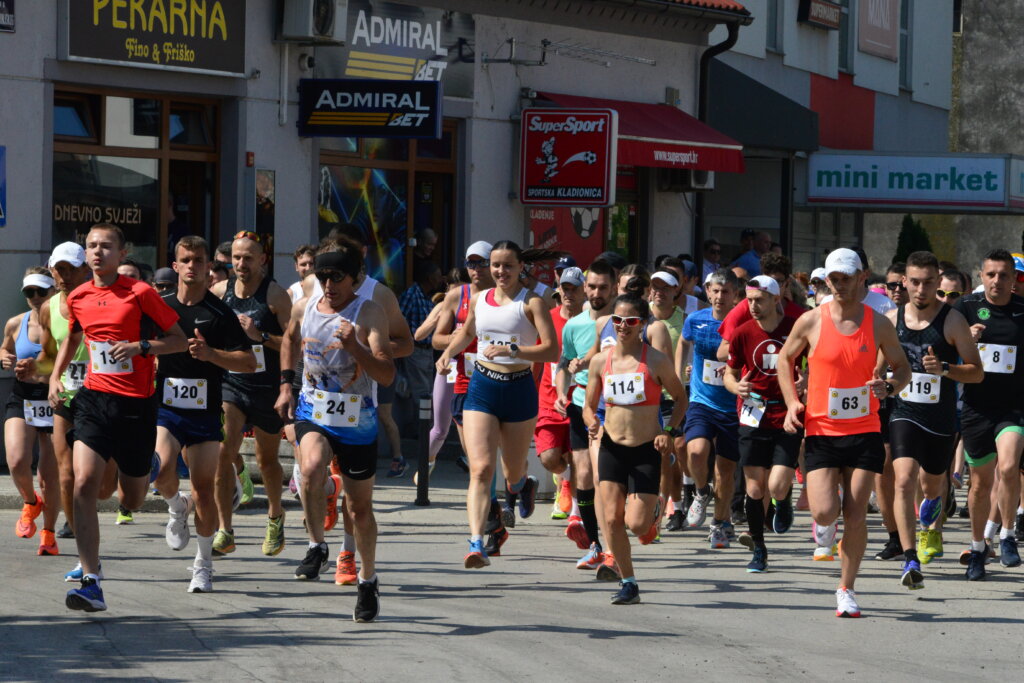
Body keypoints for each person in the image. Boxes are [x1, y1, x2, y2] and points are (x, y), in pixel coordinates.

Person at [48, 223, 187, 612]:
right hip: (93, 401)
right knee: (84, 485)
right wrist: (56, 376)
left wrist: (141, 346)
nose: (97, 252)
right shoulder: (78, 296)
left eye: (106, 246)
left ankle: (154, 464)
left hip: (136, 408)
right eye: (91, 246)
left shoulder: (140, 293)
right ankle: (91, 580)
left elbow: (178, 340)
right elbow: (73, 338)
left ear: (122, 253)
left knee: (131, 498)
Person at [777, 247, 911, 618]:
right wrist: (792, 403)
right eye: (832, 279)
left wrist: (891, 386)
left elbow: (901, 367)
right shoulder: (811, 320)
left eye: (845, 278)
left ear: (862, 277)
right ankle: (817, 522)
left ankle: (846, 588)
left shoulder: (878, 322)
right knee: (823, 512)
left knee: (855, 514)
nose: (838, 285)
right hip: (821, 430)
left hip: (865, 430)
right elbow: (784, 359)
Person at [276, 240, 394, 622]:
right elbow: (290, 339)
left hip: (357, 419)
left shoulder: (369, 313)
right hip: (315, 408)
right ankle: (317, 546)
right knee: (310, 468)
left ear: (357, 278)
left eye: (337, 277)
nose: (329, 284)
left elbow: (386, 373)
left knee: (360, 509)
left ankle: (367, 580)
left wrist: (355, 347)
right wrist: (284, 385)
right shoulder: (304, 306)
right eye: (322, 276)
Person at [436, 240, 558, 568]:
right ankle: (476, 541)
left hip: (518, 390)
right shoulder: (479, 300)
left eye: (508, 266)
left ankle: (522, 485)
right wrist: (448, 353)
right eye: (496, 265)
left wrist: (514, 351)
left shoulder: (532, 302)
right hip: (483, 388)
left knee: (512, 470)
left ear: (521, 268)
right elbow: (466, 333)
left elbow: (551, 351)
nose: (501, 271)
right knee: (480, 469)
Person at [153, 236, 257, 593]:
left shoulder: (219, 312)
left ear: (208, 266)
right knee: (161, 470)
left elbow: (249, 361)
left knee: (203, 489)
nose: (193, 266)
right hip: (166, 408)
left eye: (199, 260)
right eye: (186, 259)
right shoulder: (159, 306)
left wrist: (211, 355)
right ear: (176, 264)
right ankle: (174, 506)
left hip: (204, 412)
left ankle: (203, 565)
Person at [883, 251, 982, 590]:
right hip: (904, 411)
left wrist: (946, 369)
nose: (920, 289)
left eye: (928, 283)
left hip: (940, 417)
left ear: (938, 283)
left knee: (931, 484)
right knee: (903, 479)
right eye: (914, 282)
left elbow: (977, 372)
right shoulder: (890, 318)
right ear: (904, 283)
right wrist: (882, 385)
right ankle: (910, 556)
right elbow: (879, 367)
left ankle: (932, 518)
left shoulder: (952, 322)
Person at [583, 293, 686, 604]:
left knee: (636, 525)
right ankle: (629, 582)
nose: (623, 326)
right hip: (612, 446)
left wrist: (669, 431)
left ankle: (652, 509)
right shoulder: (602, 361)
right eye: (617, 320)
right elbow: (589, 406)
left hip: (646, 448)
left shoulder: (655, 360)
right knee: (612, 520)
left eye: (630, 321)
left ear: (643, 324)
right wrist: (591, 423)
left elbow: (681, 399)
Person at [210, 231, 292, 557]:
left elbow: (291, 343)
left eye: (248, 258)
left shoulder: (275, 295)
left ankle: (275, 516)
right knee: (221, 453)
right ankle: (224, 529)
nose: (241, 264)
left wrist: (260, 335)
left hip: (266, 386)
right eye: (237, 257)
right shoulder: (219, 292)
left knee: (266, 459)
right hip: (231, 383)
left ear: (262, 260)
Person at [723, 275, 806, 572]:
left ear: (775, 299)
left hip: (787, 413)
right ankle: (759, 547)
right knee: (755, 489)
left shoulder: (794, 331)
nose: (753, 306)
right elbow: (729, 374)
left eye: (759, 300)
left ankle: (782, 503)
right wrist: (736, 388)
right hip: (752, 413)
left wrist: (805, 381)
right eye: (749, 300)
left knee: (778, 484)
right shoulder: (742, 333)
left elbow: (811, 366)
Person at [953, 249, 1024, 579]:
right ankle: (979, 548)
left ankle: (1008, 536)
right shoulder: (965, 308)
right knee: (980, 486)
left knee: (1009, 466)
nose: (997, 280)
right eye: (991, 274)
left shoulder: (1022, 311)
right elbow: (941, 349)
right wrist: (964, 342)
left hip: (1013, 408)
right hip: (977, 409)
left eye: (1004, 275)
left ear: (1013, 280)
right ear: (981, 276)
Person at [432, 242, 506, 553]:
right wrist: (462, 340)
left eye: (481, 263)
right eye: (470, 263)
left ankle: (517, 488)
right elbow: (436, 338)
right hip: (466, 384)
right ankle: (493, 526)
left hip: (503, 381)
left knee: (498, 463)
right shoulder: (457, 296)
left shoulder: (509, 297)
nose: (475, 269)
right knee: (478, 464)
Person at [35, 242, 104, 543]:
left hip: (103, 394)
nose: (64, 276)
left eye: (71, 270)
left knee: (105, 486)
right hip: (66, 395)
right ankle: (80, 539)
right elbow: (48, 355)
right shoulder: (48, 308)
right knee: (66, 472)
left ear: (84, 270)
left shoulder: (101, 300)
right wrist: (36, 369)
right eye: (58, 270)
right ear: (51, 270)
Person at [555, 259, 619, 573]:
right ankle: (596, 546)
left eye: (602, 287)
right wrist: (561, 392)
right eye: (591, 286)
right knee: (584, 476)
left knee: (604, 478)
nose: (595, 292)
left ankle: (615, 543)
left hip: (619, 410)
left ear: (615, 287)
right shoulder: (573, 325)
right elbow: (562, 363)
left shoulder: (624, 322)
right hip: (582, 405)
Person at [679, 268, 741, 549]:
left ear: (735, 295)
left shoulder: (742, 322)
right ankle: (701, 491)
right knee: (695, 450)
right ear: (707, 292)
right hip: (701, 400)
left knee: (725, 470)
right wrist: (680, 372)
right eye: (715, 291)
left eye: (725, 291)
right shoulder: (695, 319)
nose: (719, 296)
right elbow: (684, 341)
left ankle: (719, 523)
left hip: (733, 405)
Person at [3, 269, 59, 554]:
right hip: (23, 396)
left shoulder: (64, 324)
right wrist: (4, 357)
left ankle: (48, 534)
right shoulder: (15, 323)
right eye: (29, 293)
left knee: (49, 476)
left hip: (53, 400)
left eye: (41, 292)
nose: (35, 298)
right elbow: (5, 349)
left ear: (53, 292)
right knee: (16, 460)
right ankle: (30, 501)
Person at [534, 267, 586, 520]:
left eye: (574, 288)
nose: (569, 293)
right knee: (549, 458)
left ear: (584, 290)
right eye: (565, 288)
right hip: (549, 399)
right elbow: (537, 359)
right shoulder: (548, 317)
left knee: (579, 456)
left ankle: (576, 512)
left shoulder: (590, 321)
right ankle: (563, 478)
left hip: (581, 399)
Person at [647, 270, 688, 531]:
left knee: (677, 451)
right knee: (663, 456)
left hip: (677, 396)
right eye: (655, 287)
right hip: (648, 398)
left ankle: (679, 503)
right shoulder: (642, 320)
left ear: (677, 291)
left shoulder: (685, 320)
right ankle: (665, 509)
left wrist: (690, 368)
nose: (660, 291)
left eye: (666, 287)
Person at [397, 259, 443, 447]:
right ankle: (423, 434)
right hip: (416, 350)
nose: (441, 278)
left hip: (428, 351)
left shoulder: (428, 296)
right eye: (438, 274)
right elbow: (400, 319)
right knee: (422, 393)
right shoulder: (412, 294)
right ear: (429, 277)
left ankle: (425, 431)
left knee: (428, 391)